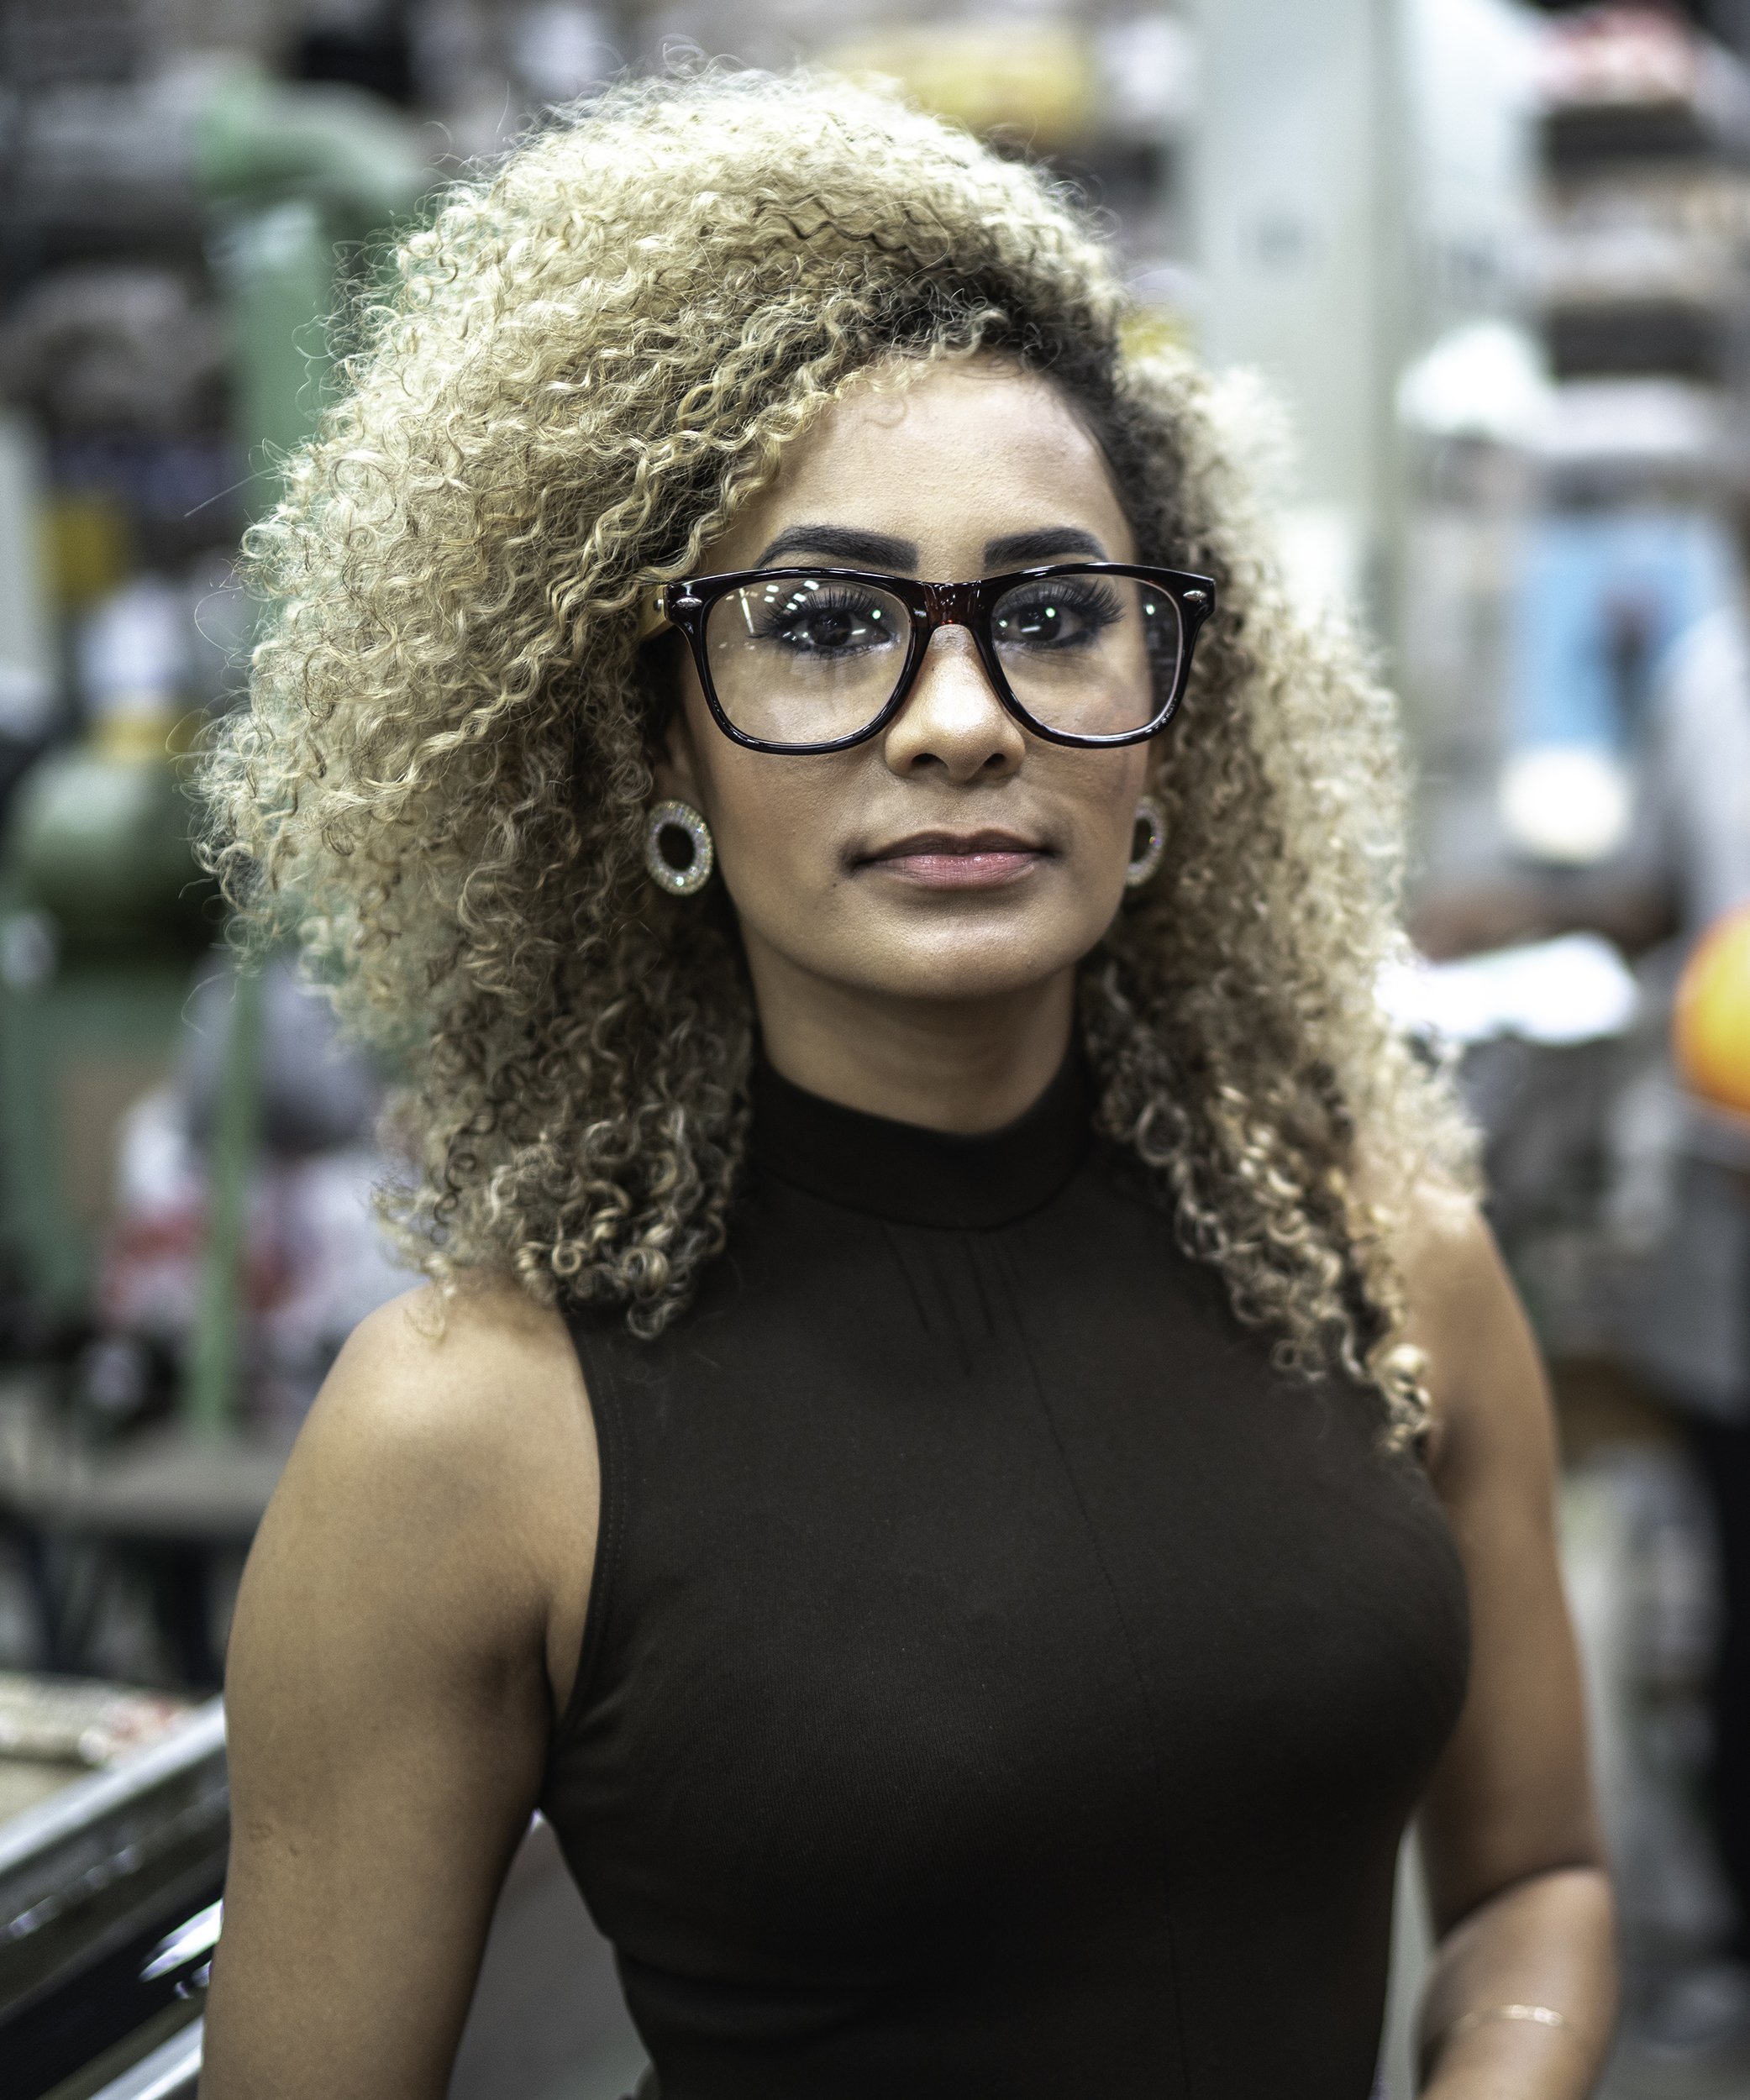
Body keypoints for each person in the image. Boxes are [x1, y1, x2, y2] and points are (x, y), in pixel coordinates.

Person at [196, 70, 1616, 2100]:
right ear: (657, 744)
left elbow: (1536, 1876)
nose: (957, 717)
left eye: (1051, 615)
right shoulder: (468, 1439)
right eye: (819, 623)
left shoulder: (1385, 1262)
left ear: (1164, 726)